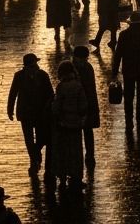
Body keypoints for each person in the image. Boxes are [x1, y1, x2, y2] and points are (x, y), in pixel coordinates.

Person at [7, 53, 54, 175]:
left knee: (39, 139)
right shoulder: (20, 76)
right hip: (28, 113)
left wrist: (48, 108)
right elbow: (13, 93)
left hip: (39, 113)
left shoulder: (43, 75)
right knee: (29, 139)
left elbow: (50, 94)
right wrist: (9, 109)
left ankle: (35, 158)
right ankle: (34, 160)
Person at [111, 11, 140, 130]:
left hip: (128, 69)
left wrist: (114, 71)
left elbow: (118, 54)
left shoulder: (124, 35)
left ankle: (129, 121)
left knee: (128, 97)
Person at [49, 60, 88, 192]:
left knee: (63, 151)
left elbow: (56, 108)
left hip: (63, 125)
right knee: (76, 152)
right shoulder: (78, 85)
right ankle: (76, 177)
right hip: (76, 125)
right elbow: (83, 106)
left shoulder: (61, 87)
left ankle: (63, 176)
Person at [69, 46, 100, 169]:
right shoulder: (73, 68)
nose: (84, 61)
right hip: (75, 105)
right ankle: (78, 157)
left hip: (87, 103)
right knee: (77, 133)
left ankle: (90, 155)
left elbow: (91, 89)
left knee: (87, 131)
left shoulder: (87, 67)